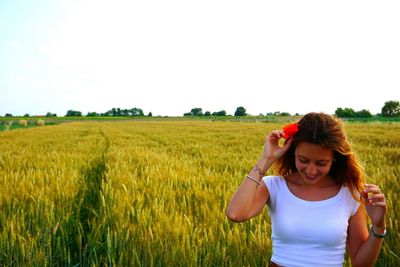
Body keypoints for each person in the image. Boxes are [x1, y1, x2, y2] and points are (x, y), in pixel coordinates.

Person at [226, 112, 387, 267]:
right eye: (303, 160)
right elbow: (236, 214)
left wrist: (379, 227)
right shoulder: (274, 186)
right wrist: (266, 158)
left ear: (335, 158)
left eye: (321, 163)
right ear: (292, 151)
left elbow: (361, 264)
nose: (311, 170)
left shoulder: (350, 194)